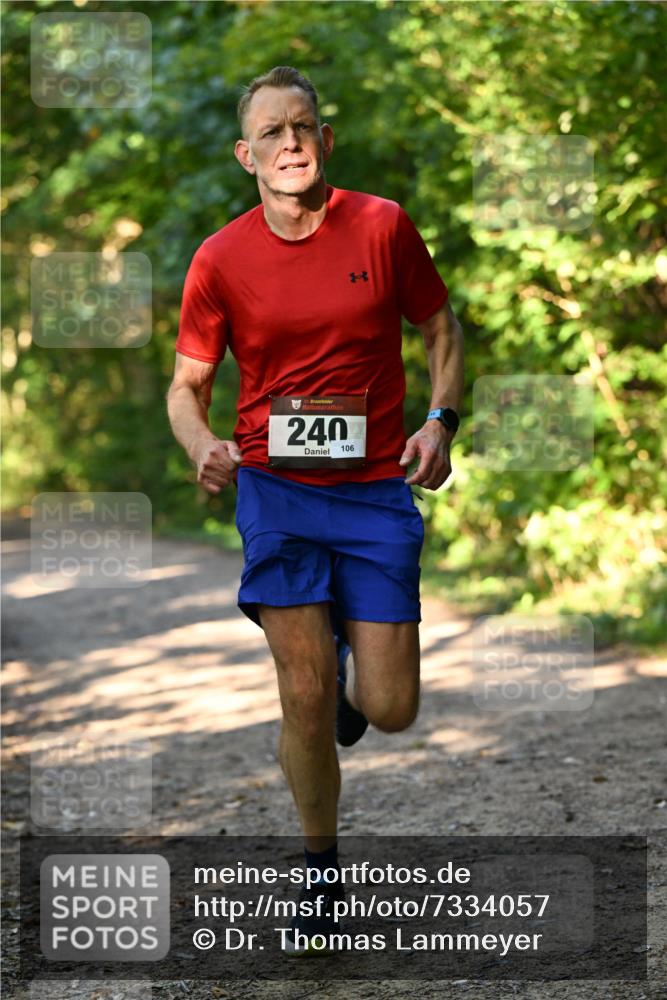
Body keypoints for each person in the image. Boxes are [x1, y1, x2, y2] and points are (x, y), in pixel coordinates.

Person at [167, 65, 464, 956]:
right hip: (276, 488)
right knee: (300, 698)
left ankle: (349, 667)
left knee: (392, 706)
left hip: (374, 489)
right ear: (244, 154)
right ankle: (321, 869)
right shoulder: (219, 258)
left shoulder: (381, 226)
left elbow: (442, 329)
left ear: (324, 141)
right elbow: (187, 387)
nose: (290, 143)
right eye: (272, 133)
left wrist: (441, 422)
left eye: (304, 128)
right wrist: (201, 446)